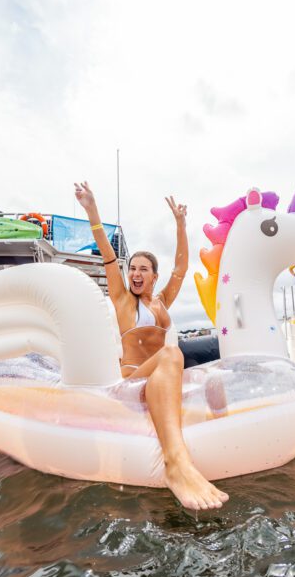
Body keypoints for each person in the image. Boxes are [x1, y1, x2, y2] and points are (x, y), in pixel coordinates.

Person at [74, 181, 228, 511]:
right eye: (133, 269)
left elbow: (182, 268)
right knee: (173, 352)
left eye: (143, 269)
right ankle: (176, 463)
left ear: (154, 276)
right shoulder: (123, 300)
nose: (135, 273)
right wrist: (92, 211)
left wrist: (181, 224)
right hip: (130, 383)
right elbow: (107, 253)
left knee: (213, 378)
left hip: (156, 381)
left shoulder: (160, 303)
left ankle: (225, 441)